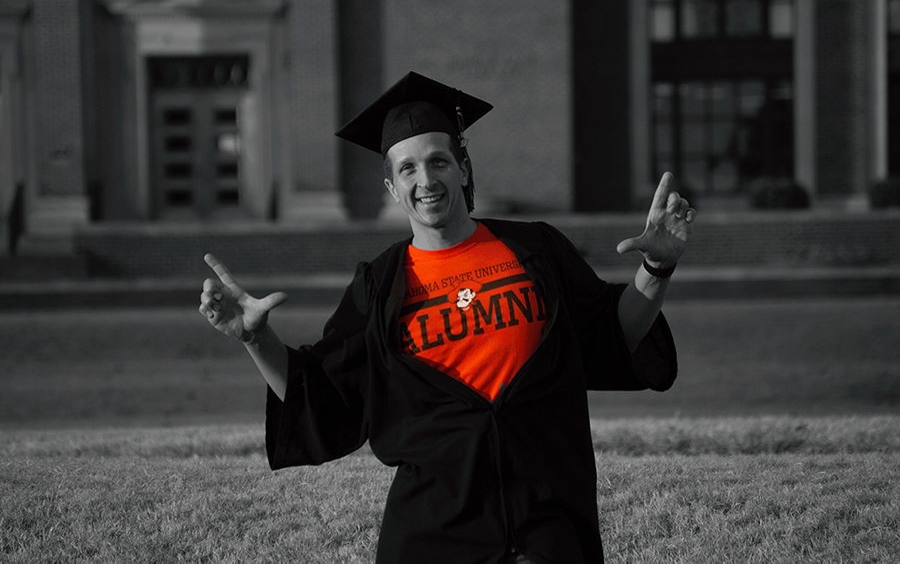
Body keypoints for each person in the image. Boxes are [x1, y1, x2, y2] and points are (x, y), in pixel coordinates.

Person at [199, 72, 695, 563]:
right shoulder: (379, 286)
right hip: (434, 536)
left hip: (547, 525)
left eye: (438, 161)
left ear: (462, 167)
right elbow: (325, 394)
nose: (426, 180)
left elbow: (613, 337)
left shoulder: (535, 251)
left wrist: (658, 267)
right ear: (393, 188)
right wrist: (255, 338)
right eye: (408, 169)